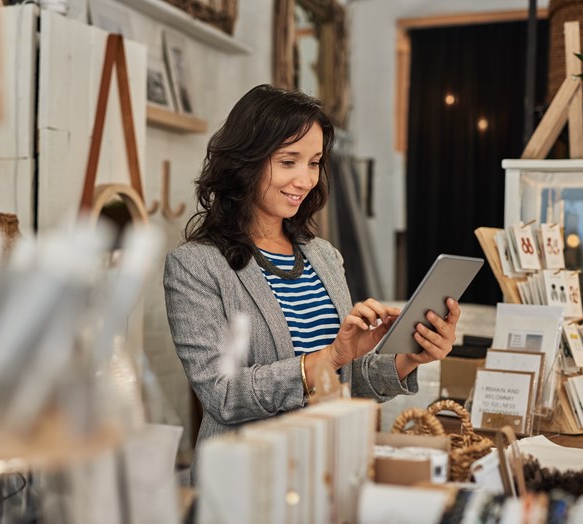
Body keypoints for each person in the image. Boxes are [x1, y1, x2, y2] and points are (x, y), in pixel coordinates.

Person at [163, 84, 459, 475]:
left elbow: (345, 382)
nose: (305, 179)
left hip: (328, 468)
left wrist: (406, 359)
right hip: (248, 480)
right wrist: (330, 357)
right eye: (289, 161)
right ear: (245, 161)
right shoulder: (195, 266)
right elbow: (224, 394)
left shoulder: (322, 255)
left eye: (314, 162)